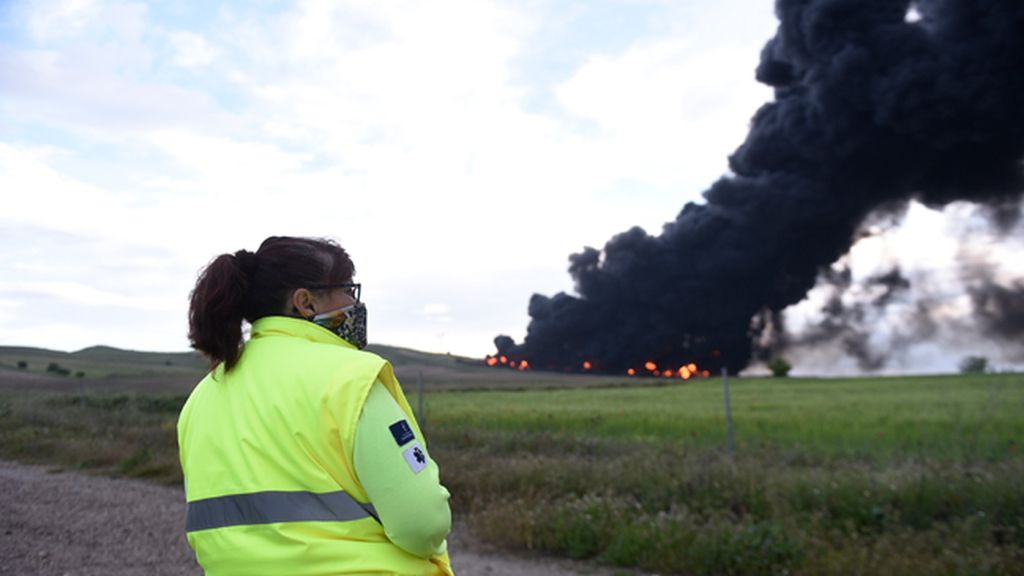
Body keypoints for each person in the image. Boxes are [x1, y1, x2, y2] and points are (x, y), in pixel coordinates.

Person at [177, 236, 453, 576]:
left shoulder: (201, 398)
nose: (354, 302)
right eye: (347, 290)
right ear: (305, 303)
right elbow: (422, 523)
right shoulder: (351, 379)